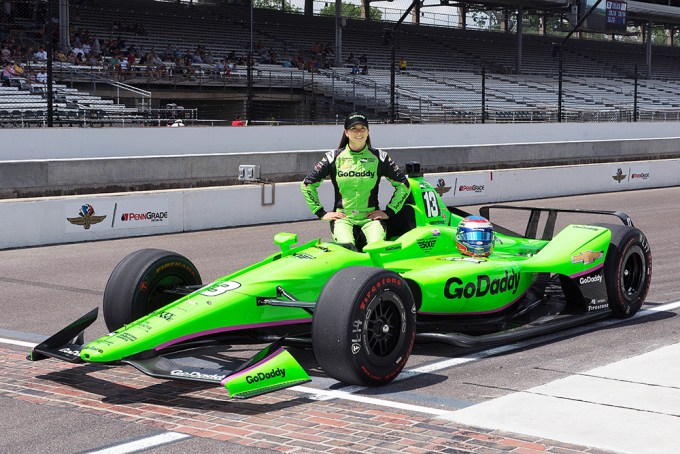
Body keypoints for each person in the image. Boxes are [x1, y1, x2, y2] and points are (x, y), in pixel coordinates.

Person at [301, 112, 410, 250]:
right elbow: (307, 184)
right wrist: (321, 212)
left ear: (368, 131)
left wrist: (389, 212)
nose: (359, 132)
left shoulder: (380, 157)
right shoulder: (333, 157)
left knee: (377, 249)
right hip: (343, 219)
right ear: (346, 132)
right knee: (347, 250)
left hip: (371, 219)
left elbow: (403, 184)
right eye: (354, 129)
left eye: (362, 128)